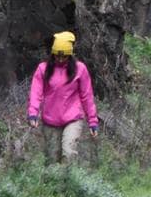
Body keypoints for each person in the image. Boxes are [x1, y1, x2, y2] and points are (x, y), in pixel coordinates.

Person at [27, 31, 99, 164]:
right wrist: (33, 113)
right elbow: (36, 93)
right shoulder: (43, 69)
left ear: (70, 55)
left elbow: (87, 96)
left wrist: (92, 121)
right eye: (57, 56)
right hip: (50, 121)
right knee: (52, 160)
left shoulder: (80, 69)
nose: (60, 59)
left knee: (68, 153)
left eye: (64, 56)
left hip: (72, 119)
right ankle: (54, 183)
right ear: (53, 54)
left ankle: (69, 182)